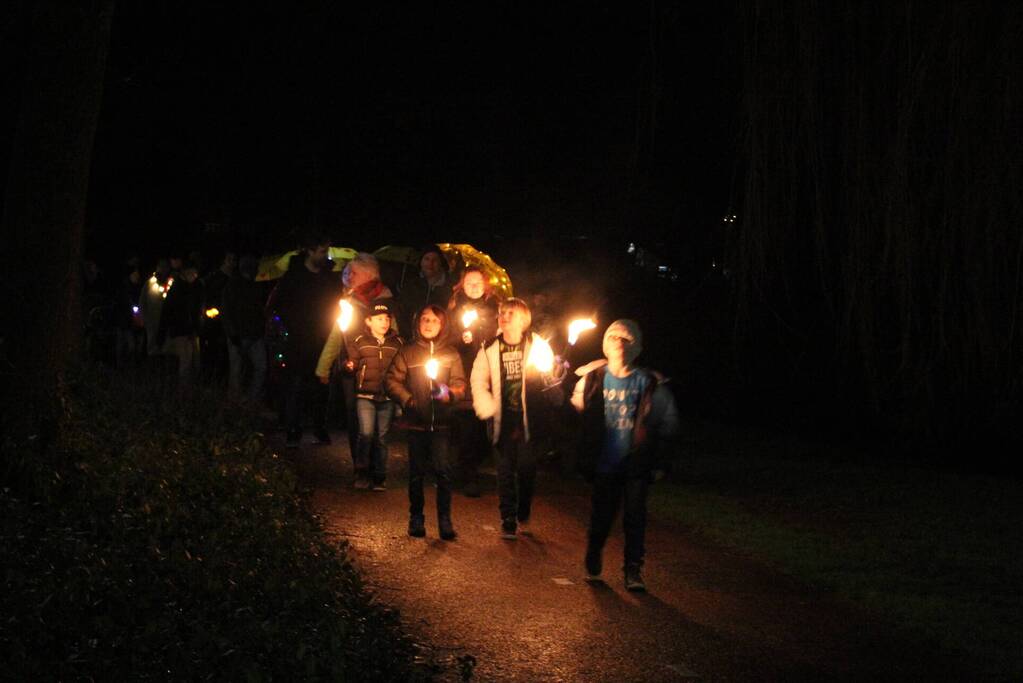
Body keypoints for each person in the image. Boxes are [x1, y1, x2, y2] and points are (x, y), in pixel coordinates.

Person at [570, 319, 680, 592]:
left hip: (636, 464)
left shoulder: (650, 383)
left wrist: (662, 461)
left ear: (637, 347)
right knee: (602, 515)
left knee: (635, 517)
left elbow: (668, 423)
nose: (619, 342)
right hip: (605, 462)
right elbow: (576, 415)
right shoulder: (592, 379)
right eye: (613, 337)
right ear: (604, 344)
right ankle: (594, 555)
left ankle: (633, 569)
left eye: (626, 339)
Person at [471, 297, 560, 540]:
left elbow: (549, 374)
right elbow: (479, 379)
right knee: (504, 469)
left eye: (511, 313)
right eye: (502, 312)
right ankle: (507, 517)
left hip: (528, 419)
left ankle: (523, 511)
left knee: (527, 467)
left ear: (524, 319)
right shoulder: (489, 347)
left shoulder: (537, 344)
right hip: (502, 419)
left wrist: (550, 377)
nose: (505, 316)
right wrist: (486, 406)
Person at [386, 305, 465, 540]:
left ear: (443, 325)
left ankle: (444, 519)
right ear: (417, 323)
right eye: (424, 319)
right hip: (416, 423)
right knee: (416, 472)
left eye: (434, 320)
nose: (428, 324)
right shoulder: (407, 352)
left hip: (441, 423)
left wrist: (449, 393)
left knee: (443, 471)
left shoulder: (451, 354)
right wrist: (408, 399)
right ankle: (416, 517)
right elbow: (391, 381)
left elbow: (460, 383)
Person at [265, 235, 341, 447]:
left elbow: (335, 301)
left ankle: (319, 427)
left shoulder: (328, 277)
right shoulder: (293, 277)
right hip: (297, 340)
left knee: (321, 386)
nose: (324, 255)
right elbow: (277, 304)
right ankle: (293, 429)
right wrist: (288, 327)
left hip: (323, 338)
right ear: (309, 251)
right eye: (321, 251)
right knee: (296, 386)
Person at [317, 300, 402, 490]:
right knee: (365, 433)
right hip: (365, 396)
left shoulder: (397, 343)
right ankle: (361, 473)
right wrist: (349, 366)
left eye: (387, 318)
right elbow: (352, 363)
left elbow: (402, 367)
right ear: (369, 321)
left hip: (387, 397)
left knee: (381, 438)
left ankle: (379, 476)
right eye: (379, 319)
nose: (384, 322)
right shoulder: (359, 341)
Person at [447, 267, 500, 496]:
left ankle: (471, 466)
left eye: (479, 282)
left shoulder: (496, 308)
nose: (474, 286)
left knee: (483, 426)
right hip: (464, 372)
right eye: (469, 282)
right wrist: (462, 338)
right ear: (462, 284)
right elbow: (445, 339)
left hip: (488, 373)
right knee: (467, 424)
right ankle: (467, 474)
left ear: (486, 284)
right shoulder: (453, 308)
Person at [221, 253, 268, 403]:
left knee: (260, 367)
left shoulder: (256, 285)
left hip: (254, 334)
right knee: (237, 369)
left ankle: (251, 399)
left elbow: (260, 310)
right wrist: (233, 334)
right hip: (239, 335)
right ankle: (235, 400)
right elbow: (227, 312)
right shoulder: (233, 286)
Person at [159, 263, 203, 388]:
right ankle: (184, 391)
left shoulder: (194, 287)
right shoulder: (177, 290)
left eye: (196, 274)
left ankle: (191, 387)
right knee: (186, 362)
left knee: (193, 362)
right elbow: (168, 312)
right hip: (181, 331)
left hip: (192, 331)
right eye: (193, 273)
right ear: (186, 273)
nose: (195, 276)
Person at [397, 244, 453, 336]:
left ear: (440, 263)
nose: (430, 264)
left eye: (435, 260)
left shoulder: (449, 288)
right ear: (421, 262)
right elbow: (402, 312)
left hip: (439, 340)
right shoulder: (411, 285)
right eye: (427, 259)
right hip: (411, 338)